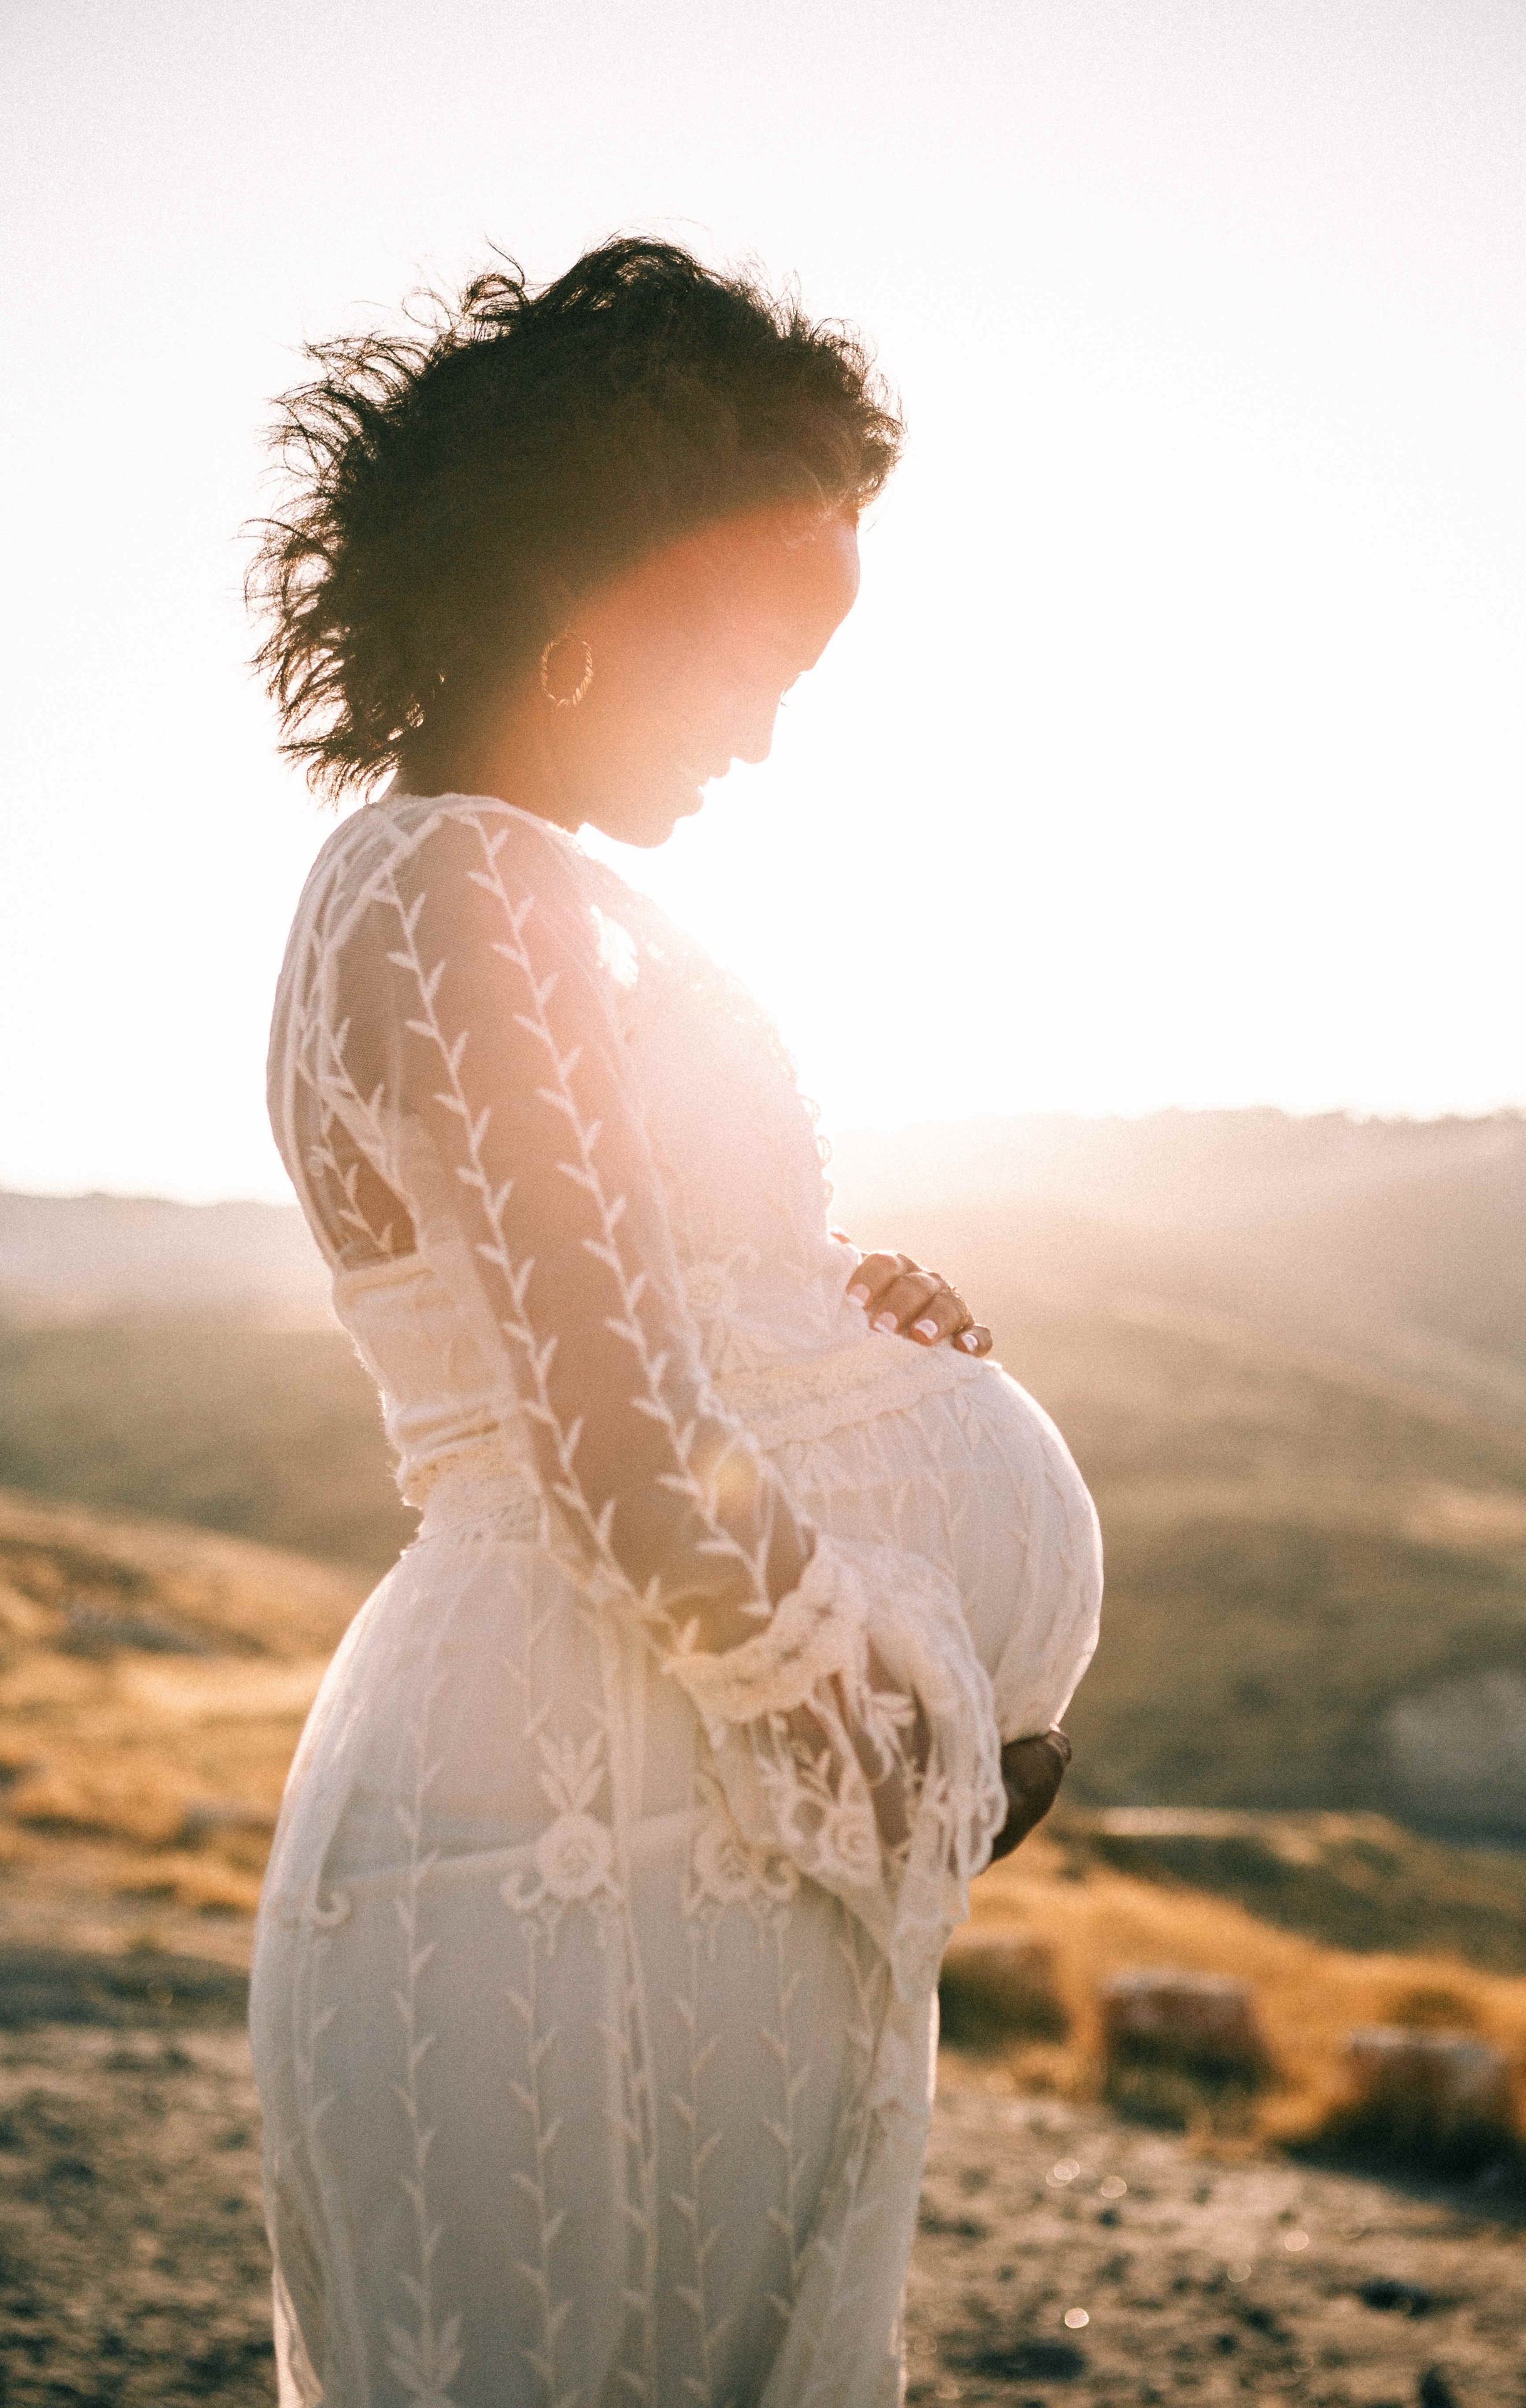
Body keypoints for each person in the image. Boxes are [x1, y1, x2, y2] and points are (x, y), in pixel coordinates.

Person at [248, 238, 1101, 2408]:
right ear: (592, 594)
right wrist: (927, 1755)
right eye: (751, 658)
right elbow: (622, 1459)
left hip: (633, 1801)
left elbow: (614, 1320)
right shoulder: (462, 889)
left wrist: (832, 1321)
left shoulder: (465, 884)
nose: (764, 734)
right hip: (573, 1799)